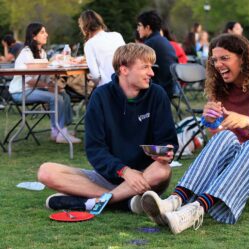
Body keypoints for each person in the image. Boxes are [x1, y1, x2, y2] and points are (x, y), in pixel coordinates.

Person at [140, 34, 249, 234]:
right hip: (235, 168)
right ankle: (174, 201)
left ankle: (196, 210)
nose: (218, 65)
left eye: (225, 58)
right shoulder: (221, 87)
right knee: (225, 137)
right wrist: (212, 124)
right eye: (215, 60)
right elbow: (219, 141)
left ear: (243, 58)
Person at [38, 43, 179, 213]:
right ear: (124, 70)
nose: (152, 73)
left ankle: (96, 201)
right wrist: (124, 171)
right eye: (145, 67)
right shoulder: (100, 97)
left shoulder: (157, 94)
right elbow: (95, 149)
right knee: (46, 172)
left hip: (146, 176)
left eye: (151, 67)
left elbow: (167, 139)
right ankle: (126, 202)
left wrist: (166, 152)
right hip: (109, 176)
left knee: (163, 170)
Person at [9, 23, 81, 143]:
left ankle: (62, 130)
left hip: (33, 89)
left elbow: (45, 75)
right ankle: (58, 131)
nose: (46, 34)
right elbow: (28, 80)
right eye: (42, 32)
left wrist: (52, 85)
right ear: (34, 36)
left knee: (65, 95)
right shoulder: (26, 53)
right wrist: (48, 87)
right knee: (56, 98)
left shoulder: (41, 52)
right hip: (21, 91)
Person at [78, 9, 125, 87]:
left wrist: (92, 79)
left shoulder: (89, 44)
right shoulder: (117, 35)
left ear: (84, 27)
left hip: (107, 87)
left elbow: (95, 75)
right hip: (126, 83)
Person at [137, 10, 178, 98]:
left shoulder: (150, 44)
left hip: (158, 89)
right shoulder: (164, 41)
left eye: (139, 25)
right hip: (170, 88)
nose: (138, 29)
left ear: (147, 28)